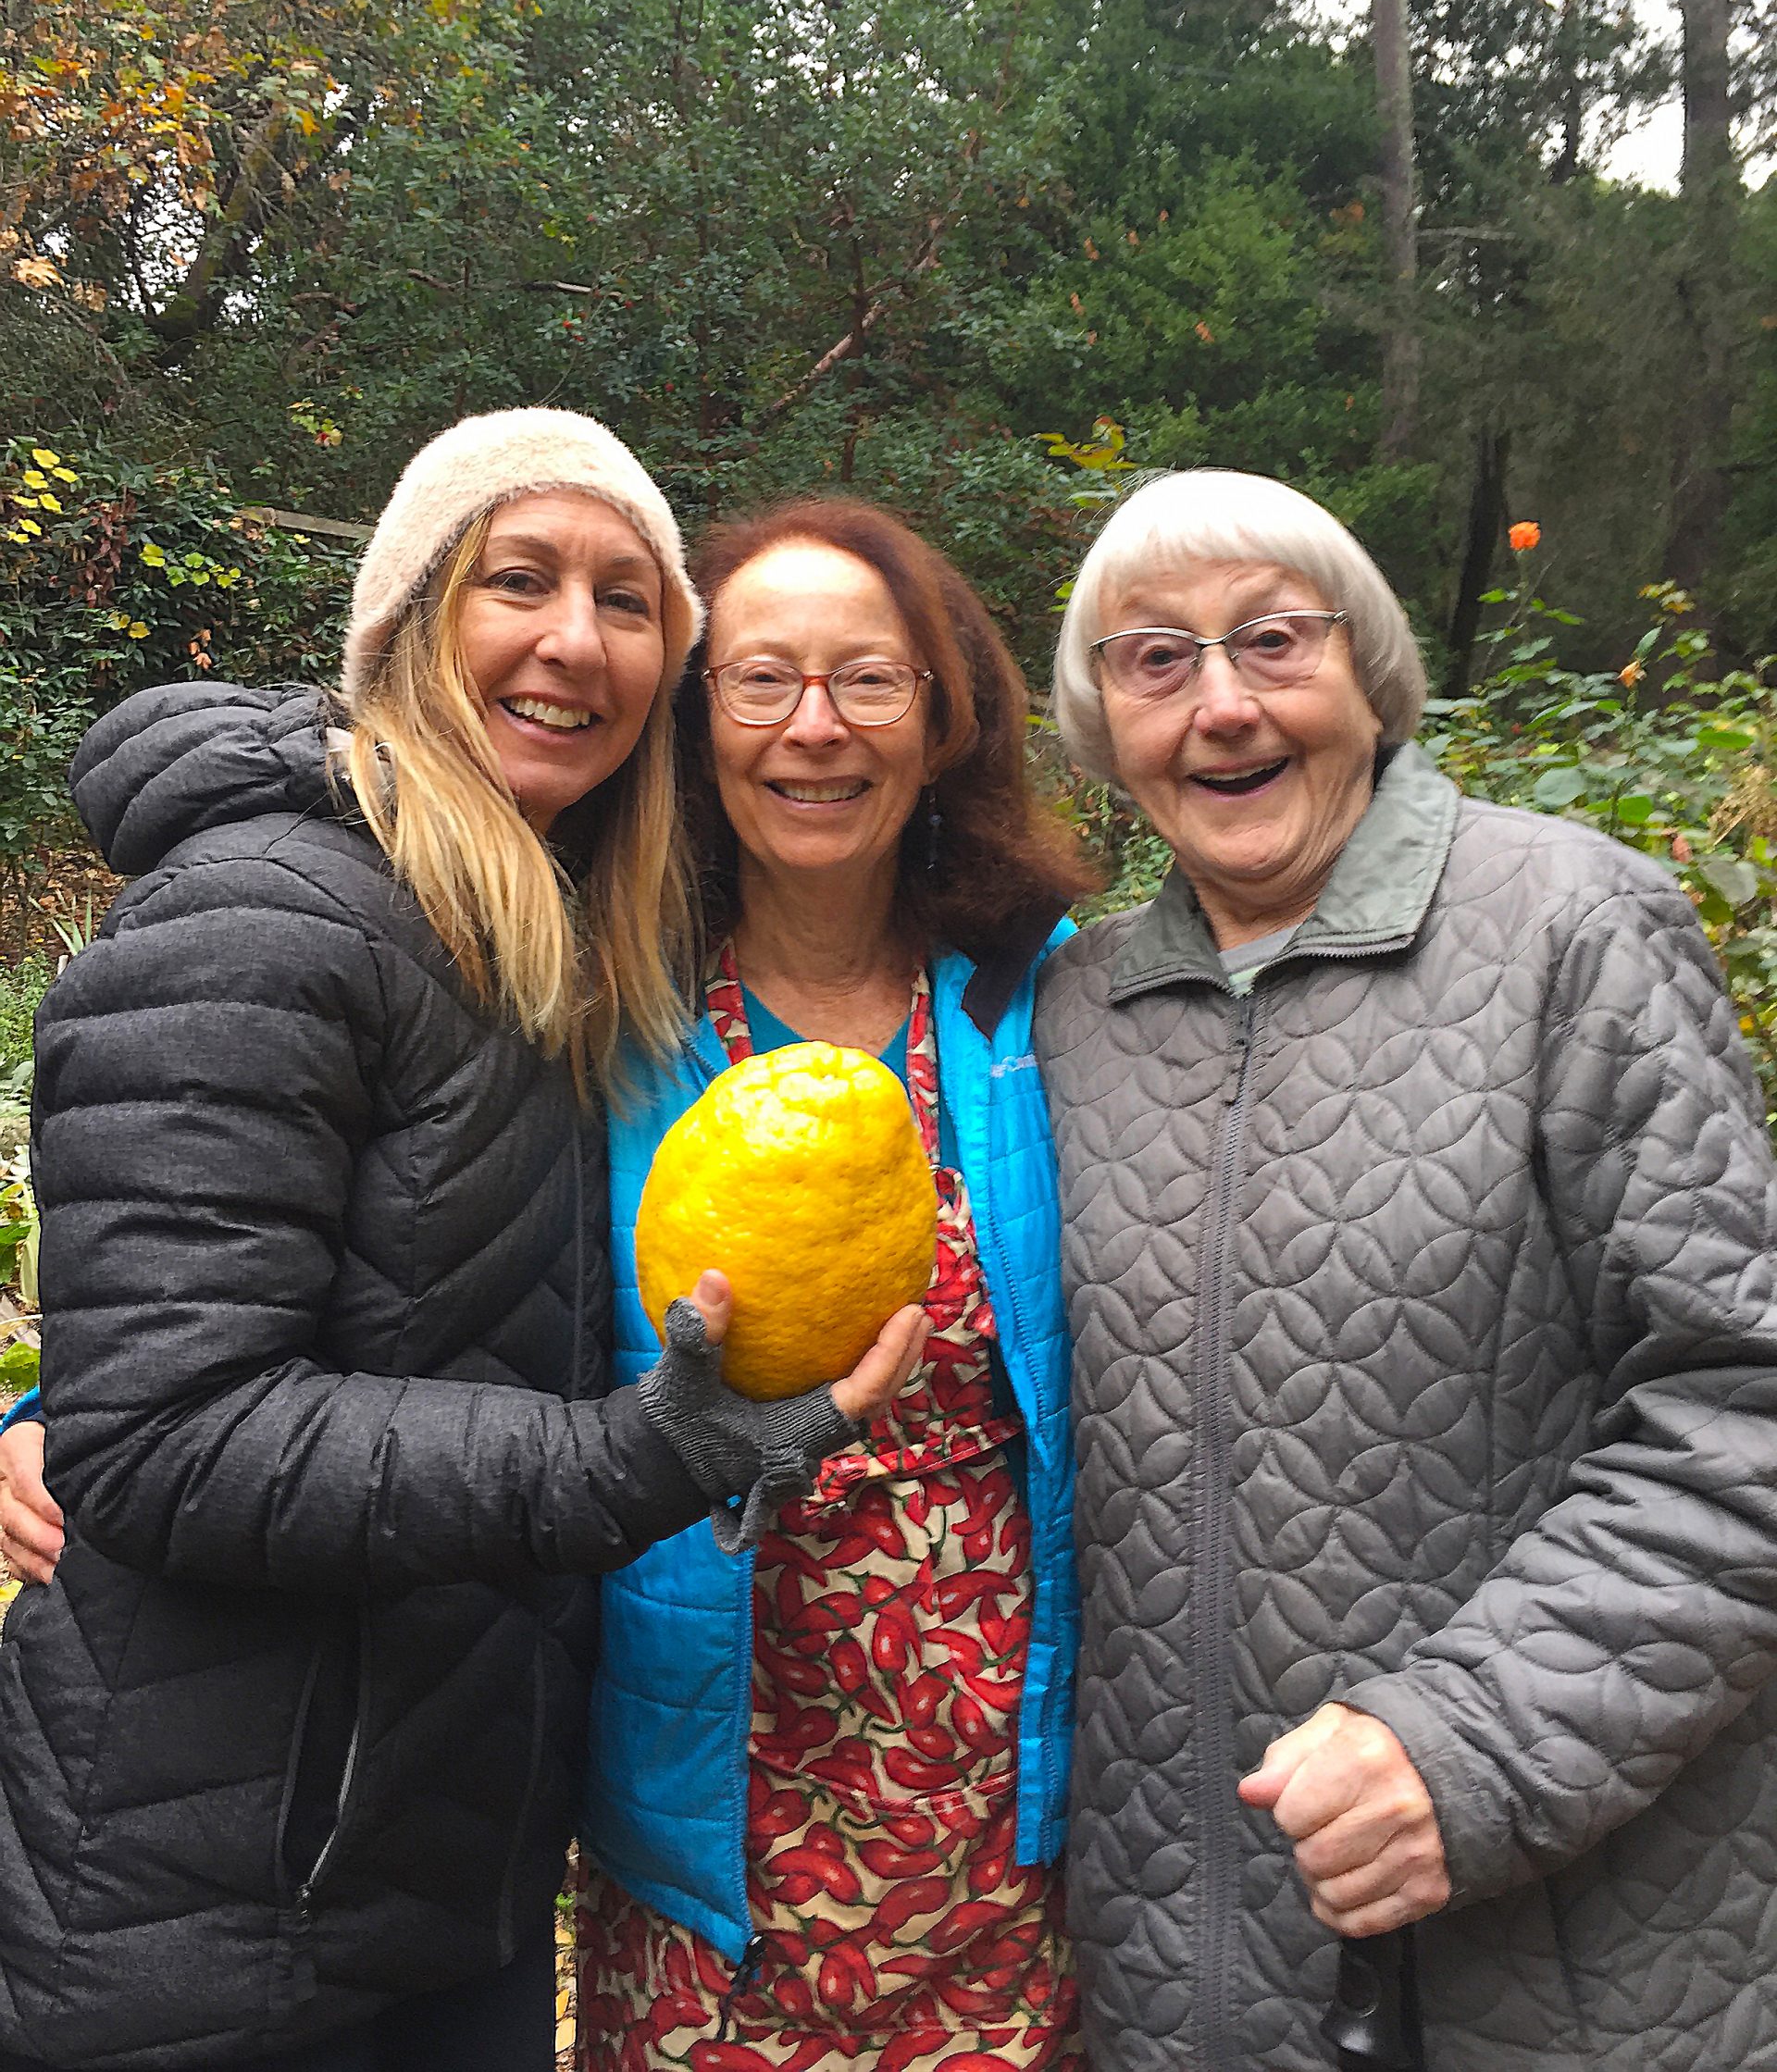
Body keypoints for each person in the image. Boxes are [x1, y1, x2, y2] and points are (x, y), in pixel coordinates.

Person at [0, 411, 922, 2072]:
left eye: (628, 602)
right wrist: (633, 1459)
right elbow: (163, 1435)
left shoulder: (534, 942)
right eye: (521, 579)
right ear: (410, 620)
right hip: (213, 1906)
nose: (575, 640)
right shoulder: (265, 908)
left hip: (424, 1876)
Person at [1034, 465, 1777, 2071]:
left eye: (1273, 643)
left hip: (1562, 1960)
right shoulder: (1072, 1019)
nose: (1220, 705)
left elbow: (1743, 1410)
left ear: (1369, 677)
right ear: (1104, 732)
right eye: (1155, 660)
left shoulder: (1569, 927)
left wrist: (1472, 1743)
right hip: (1182, 1965)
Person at [574, 501, 1097, 2069]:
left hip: (1001, 1812)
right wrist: (84, 1405)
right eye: (761, 682)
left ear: (942, 723)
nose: (817, 729)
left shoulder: (1047, 996)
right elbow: (396, 1241)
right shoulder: (594, 1003)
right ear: (694, 720)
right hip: (707, 1802)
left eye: (871, 681)